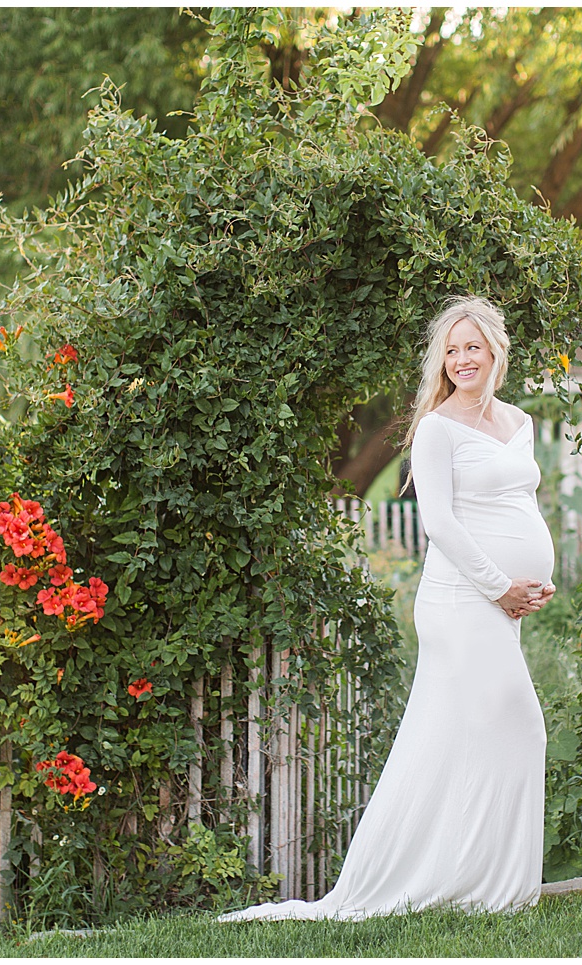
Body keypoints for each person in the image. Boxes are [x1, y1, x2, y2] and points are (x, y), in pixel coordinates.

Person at [219, 295, 555, 923]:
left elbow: (518, 506)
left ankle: (484, 886)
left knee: (469, 739)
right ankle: (473, 887)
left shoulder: (517, 422)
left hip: (501, 602)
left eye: (472, 347)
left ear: (495, 351)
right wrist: (499, 586)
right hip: (460, 602)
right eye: (451, 351)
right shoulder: (435, 427)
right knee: (517, 728)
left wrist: (533, 582)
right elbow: (442, 524)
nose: (461, 360)